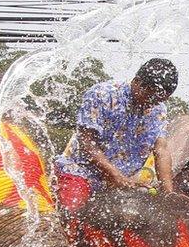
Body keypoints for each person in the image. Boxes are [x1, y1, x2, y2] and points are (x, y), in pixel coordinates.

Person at [54, 58, 178, 213]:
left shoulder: (158, 109)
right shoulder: (101, 95)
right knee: (72, 213)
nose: (151, 104)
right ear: (136, 82)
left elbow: (162, 150)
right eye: (149, 97)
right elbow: (86, 142)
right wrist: (115, 175)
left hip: (124, 183)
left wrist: (168, 194)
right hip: (81, 173)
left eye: (159, 100)